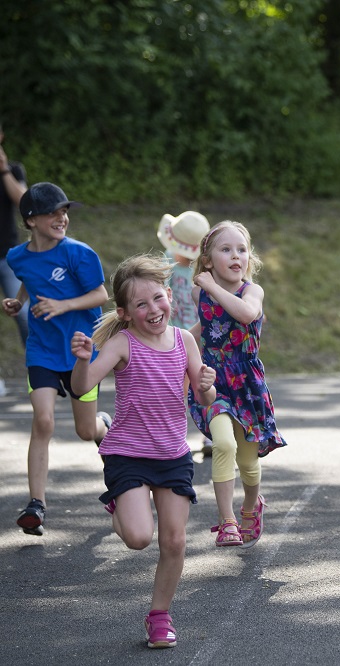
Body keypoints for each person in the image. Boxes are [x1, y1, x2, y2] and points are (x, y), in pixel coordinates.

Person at [70, 254, 216, 649]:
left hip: (172, 455)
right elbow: (83, 386)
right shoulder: (122, 343)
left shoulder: (185, 340)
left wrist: (207, 383)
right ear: (126, 312)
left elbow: (204, 398)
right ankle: (120, 502)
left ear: (169, 295)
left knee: (174, 541)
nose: (153, 310)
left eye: (157, 299)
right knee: (137, 538)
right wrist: (83, 361)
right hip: (129, 454)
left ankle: (159, 616)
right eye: (141, 304)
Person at [3, 182, 111, 536]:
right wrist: (19, 302)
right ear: (31, 220)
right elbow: (27, 279)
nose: (61, 218)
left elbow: (100, 293)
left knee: (85, 430)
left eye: (64, 211)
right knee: (44, 421)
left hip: (81, 352)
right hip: (43, 351)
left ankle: (102, 428)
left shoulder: (78, 254)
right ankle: (36, 504)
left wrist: (62, 304)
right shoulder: (17, 256)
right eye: (53, 212)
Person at [188, 220, 286, 548]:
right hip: (213, 380)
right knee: (224, 445)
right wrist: (176, 343)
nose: (236, 256)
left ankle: (251, 505)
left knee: (248, 463)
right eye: (226, 249)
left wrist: (212, 288)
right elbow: (205, 326)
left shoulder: (251, 291)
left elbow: (245, 315)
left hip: (246, 382)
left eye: (241, 250)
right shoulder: (199, 292)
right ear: (207, 260)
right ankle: (227, 520)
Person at [157, 210, 212, 456]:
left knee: (202, 387)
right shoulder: (166, 265)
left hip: (195, 340)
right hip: (174, 339)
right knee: (177, 390)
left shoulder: (202, 274)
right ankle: (172, 436)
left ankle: (210, 434)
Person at [0, 121, 29, 356]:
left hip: (8, 255)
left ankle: (38, 363)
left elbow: (24, 203)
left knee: (23, 312)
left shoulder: (14, 169)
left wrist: (3, 169)